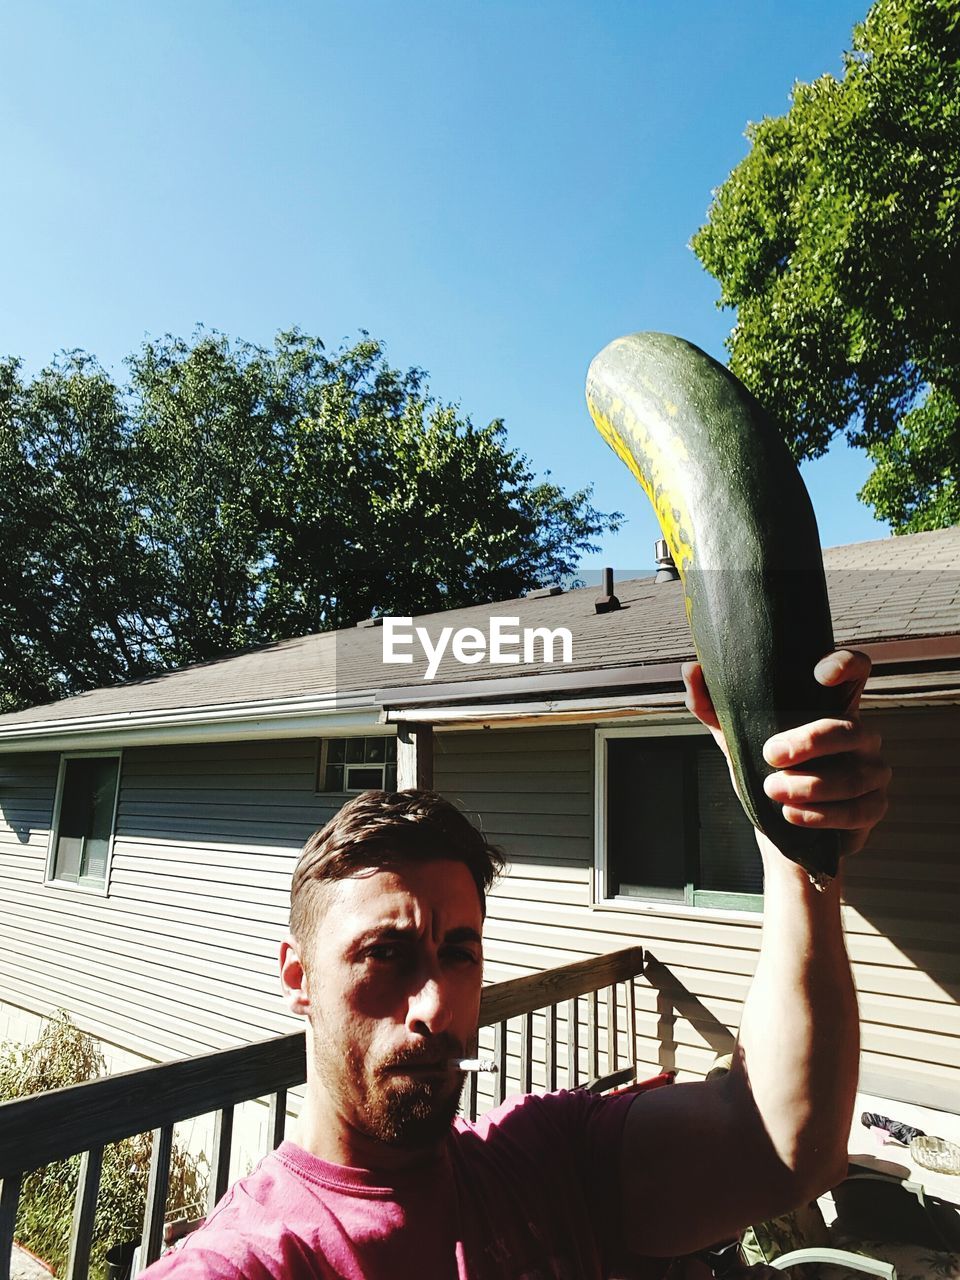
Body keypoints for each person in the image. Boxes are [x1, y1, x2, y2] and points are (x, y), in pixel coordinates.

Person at [141, 651, 890, 1280]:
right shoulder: (256, 1260)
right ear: (299, 979)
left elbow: (787, 1145)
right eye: (386, 955)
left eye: (458, 954)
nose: (435, 1006)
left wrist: (795, 847)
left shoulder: (546, 1161)